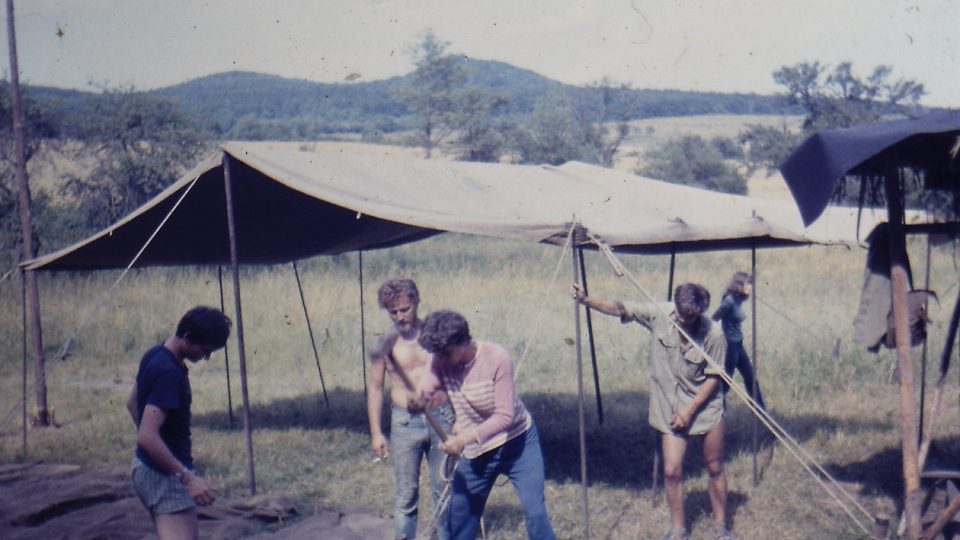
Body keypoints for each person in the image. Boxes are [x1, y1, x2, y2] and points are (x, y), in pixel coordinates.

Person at [572, 282, 735, 540]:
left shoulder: (714, 334)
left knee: (714, 466)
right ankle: (679, 528)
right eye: (679, 313)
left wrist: (689, 412)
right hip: (670, 408)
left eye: (688, 316)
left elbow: (714, 379)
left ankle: (720, 527)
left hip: (704, 407)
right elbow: (620, 307)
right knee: (671, 470)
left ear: (700, 312)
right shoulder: (661, 313)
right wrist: (586, 300)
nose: (681, 319)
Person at [417, 310, 556, 540]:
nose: (440, 359)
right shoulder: (440, 357)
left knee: (535, 512)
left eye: (445, 353)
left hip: (518, 443)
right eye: (437, 354)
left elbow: (504, 417)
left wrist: (462, 440)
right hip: (478, 451)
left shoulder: (497, 357)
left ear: (462, 342)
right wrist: (417, 398)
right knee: (460, 517)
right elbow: (427, 388)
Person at [126, 306, 232, 540]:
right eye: (205, 349)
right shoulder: (169, 373)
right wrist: (187, 478)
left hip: (146, 468)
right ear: (187, 337)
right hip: (164, 477)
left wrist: (158, 447)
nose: (206, 357)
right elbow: (146, 436)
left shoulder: (154, 353)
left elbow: (132, 403)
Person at [367, 278, 455, 540]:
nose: (400, 316)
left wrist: (462, 419)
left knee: (445, 490)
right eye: (393, 312)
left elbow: (455, 377)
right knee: (406, 494)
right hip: (405, 423)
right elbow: (374, 387)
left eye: (405, 309)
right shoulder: (384, 343)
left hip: (442, 418)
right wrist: (376, 433)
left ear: (416, 301)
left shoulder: (436, 333)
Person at [712, 271, 765, 410]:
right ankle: (717, 409)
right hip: (730, 345)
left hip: (738, 344)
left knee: (750, 377)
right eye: (748, 284)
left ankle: (761, 411)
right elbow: (715, 317)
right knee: (726, 381)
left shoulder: (738, 299)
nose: (750, 287)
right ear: (739, 284)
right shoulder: (729, 300)